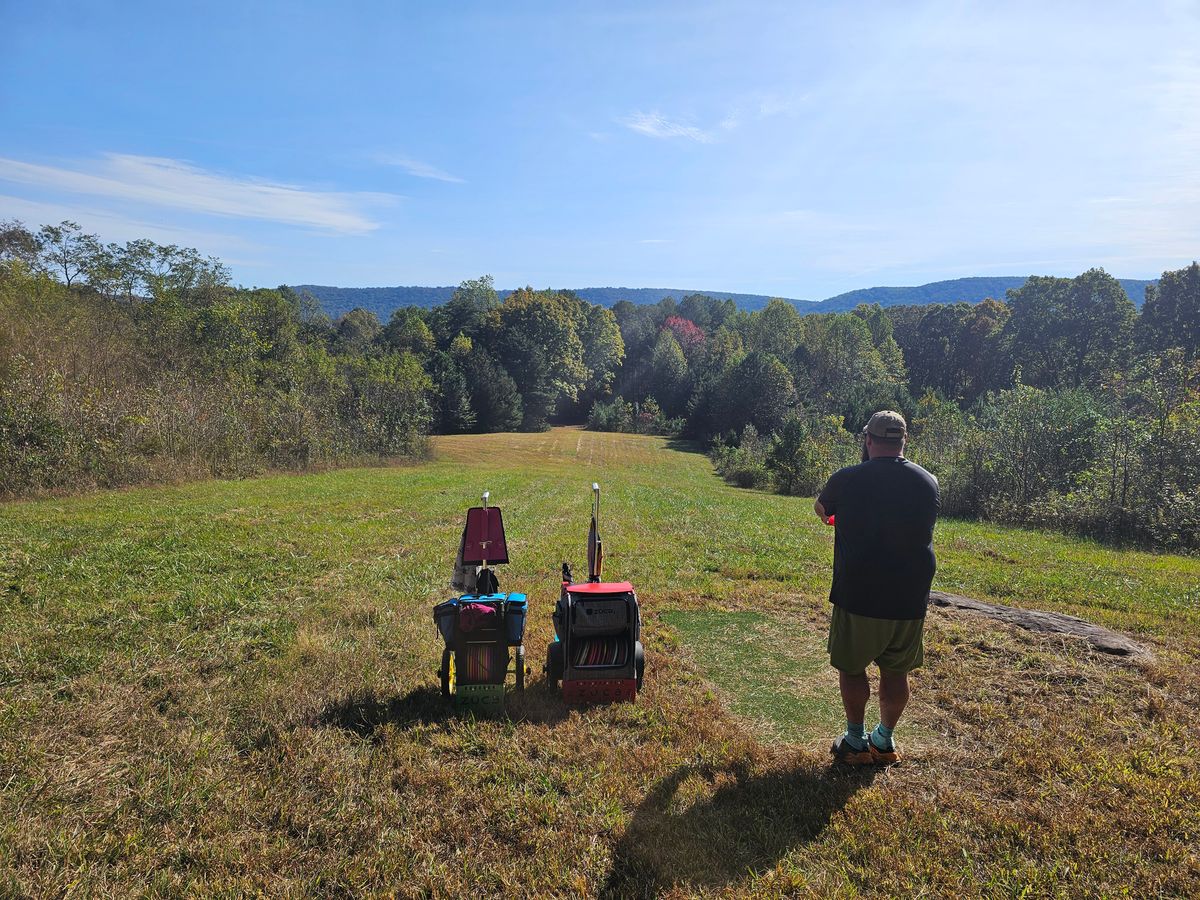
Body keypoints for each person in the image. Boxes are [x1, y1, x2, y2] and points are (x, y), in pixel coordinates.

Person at [813, 411, 939, 765]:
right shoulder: (928, 481)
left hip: (861, 592)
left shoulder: (848, 478)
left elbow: (822, 509)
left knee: (852, 668)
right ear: (904, 441)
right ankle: (884, 741)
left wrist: (837, 516)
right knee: (895, 671)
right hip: (910, 596)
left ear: (868, 440)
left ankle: (854, 741)